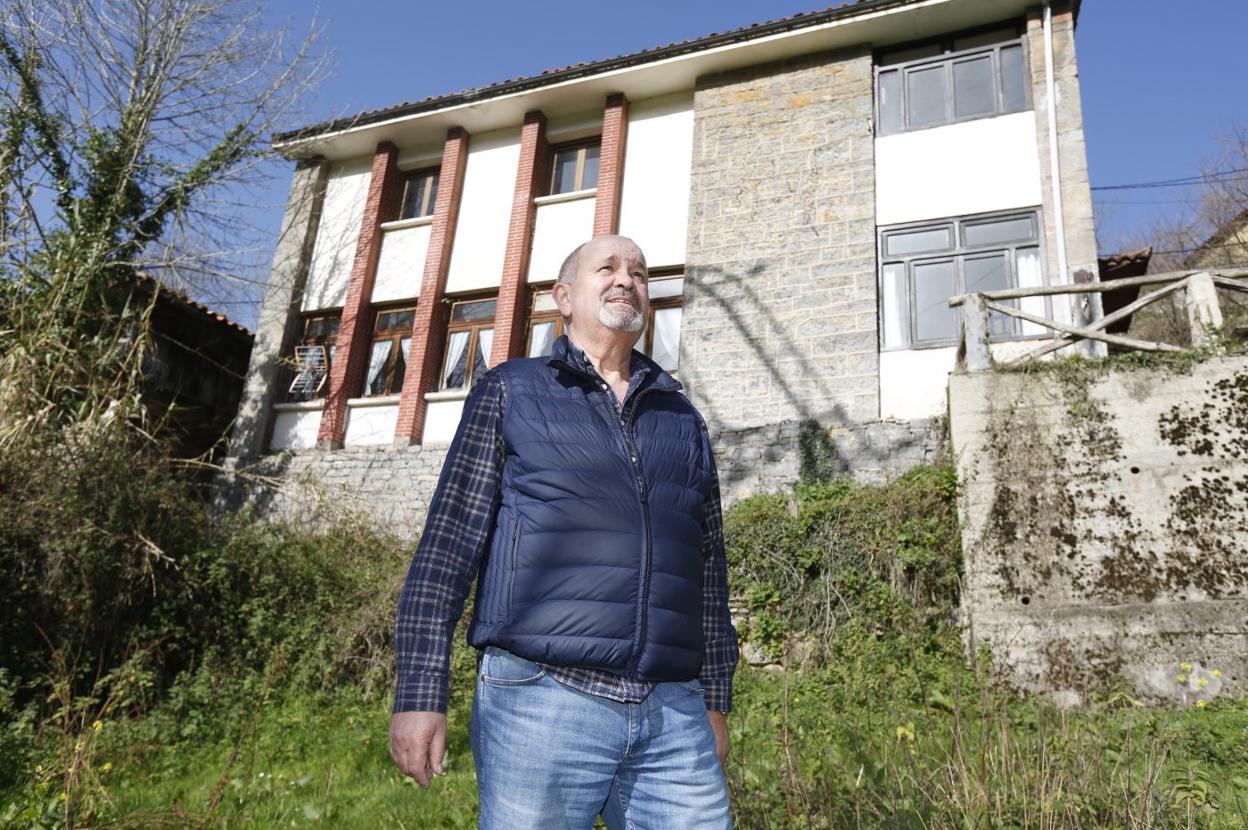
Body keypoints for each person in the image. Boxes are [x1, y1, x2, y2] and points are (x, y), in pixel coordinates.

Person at [388, 234, 739, 828]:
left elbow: (707, 572)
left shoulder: (682, 418)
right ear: (564, 297)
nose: (626, 279)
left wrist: (715, 698)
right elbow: (448, 545)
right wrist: (421, 691)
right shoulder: (511, 390)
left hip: (674, 711)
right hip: (542, 699)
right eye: (606, 268)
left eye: (639, 272)